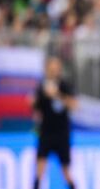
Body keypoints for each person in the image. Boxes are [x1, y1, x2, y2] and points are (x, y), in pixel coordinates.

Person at [32, 56, 76, 189]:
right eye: (51, 69)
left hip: (62, 133)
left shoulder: (64, 85)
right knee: (40, 169)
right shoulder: (41, 87)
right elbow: (36, 108)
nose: (54, 71)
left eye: (56, 69)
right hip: (46, 132)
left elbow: (74, 105)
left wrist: (57, 95)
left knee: (66, 171)